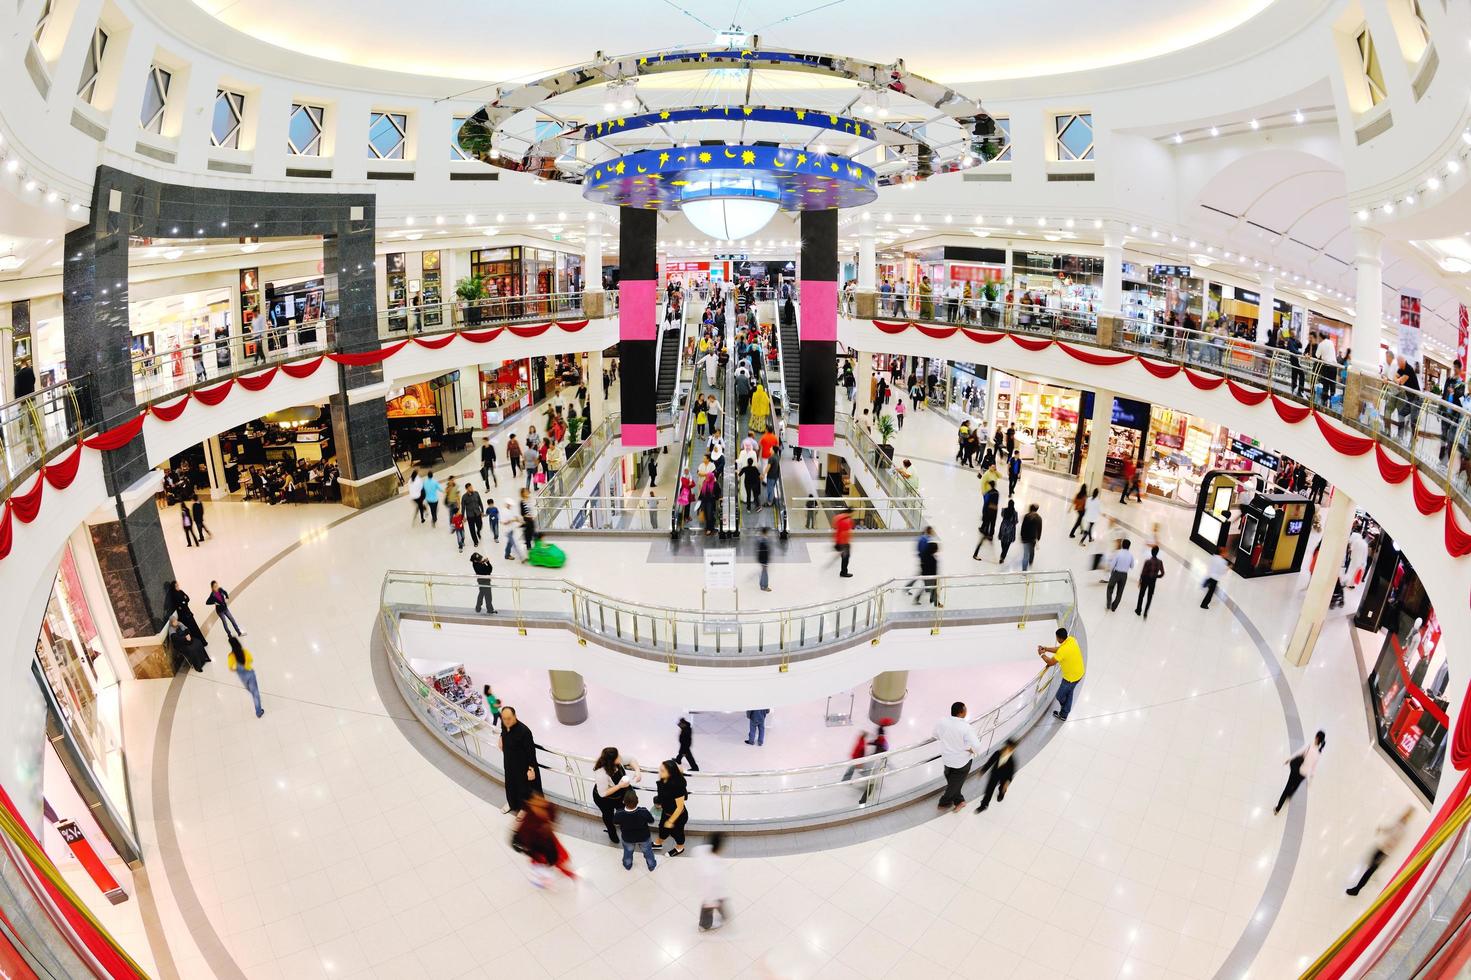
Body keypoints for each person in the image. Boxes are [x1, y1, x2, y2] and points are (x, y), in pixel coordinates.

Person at [1347, 808, 1414, 896]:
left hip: (1385, 853)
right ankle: (1372, 871)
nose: (1403, 815)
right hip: (1380, 848)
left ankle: (1357, 889)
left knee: (1369, 871)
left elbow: (1396, 845)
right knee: (1370, 863)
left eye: (1406, 814)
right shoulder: (1398, 822)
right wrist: (1381, 829)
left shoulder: (1403, 831)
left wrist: (1387, 849)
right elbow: (1390, 829)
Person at [512, 796, 575, 887]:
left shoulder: (545, 809)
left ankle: (545, 876)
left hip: (541, 841)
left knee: (552, 858)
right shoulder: (533, 818)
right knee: (551, 859)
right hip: (538, 843)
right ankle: (544, 877)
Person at [934, 701, 983, 811]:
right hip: (961, 762)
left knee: (953, 782)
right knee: (954, 784)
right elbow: (976, 746)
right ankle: (944, 803)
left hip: (947, 759)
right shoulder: (966, 727)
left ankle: (959, 801)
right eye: (965, 709)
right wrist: (970, 749)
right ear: (961, 712)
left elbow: (935, 734)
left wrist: (948, 740)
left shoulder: (942, 722)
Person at [498, 707, 542, 814]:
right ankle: (511, 803)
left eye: (509, 718)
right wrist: (500, 738)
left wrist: (531, 769)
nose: (507, 721)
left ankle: (524, 808)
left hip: (522, 765)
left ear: (515, 717)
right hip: (509, 762)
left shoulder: (524, 731)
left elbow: (531, 752)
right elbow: (503, 731)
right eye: (504, 719)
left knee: (524, 787)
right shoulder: (504, 724)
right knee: (510, 783)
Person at [1037, 627, 1085, 720]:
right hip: (1079, 672)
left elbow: (1051, 662)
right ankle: (1064, 714)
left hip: (1070, 678)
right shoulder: (1071, 639)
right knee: (1069, 693)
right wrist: (1046, 649)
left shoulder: (1063, 651)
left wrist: (1042, 654)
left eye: (1056, 638)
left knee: (1060, 696)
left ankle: (1064, 711)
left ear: (1059, 638)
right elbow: (1059, 649)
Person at [1274, 730, 1326, 815]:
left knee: (1287, 787)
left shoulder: (1309, 746)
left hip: (1297, 770)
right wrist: (1310, 782)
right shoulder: (1318, 754)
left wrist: (1289, 759)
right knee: (1296, 785)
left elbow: (1299, 753)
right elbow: (1313, 769)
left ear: (1316, 738)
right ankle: (1290, 795)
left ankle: (1277, 809)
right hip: (1304, 774)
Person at [593, 747, 636, 844]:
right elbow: (603, 793)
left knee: (622, 812)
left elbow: (631, 759)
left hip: (617, 796)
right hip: (604, 800)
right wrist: (620, 785)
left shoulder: (616, 761)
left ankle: (625, 829)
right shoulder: (601, 773)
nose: (620, 757)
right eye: (618, 756)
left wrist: (637, 771)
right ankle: (612, 833)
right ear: (611, 760)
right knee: (608, 816)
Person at [614, 790, 657, 871]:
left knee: (628, 852)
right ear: (637, 801)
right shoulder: (643, 811)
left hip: (627, 838)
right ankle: (651, 865)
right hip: (644, 837)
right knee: (648, 852)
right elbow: (651, 821)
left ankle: (627, 865)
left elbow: (615, 823)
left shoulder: (619, 813)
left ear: (624, 801)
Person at [695, 833, 731, 930]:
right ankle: (704, 926)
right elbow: (709, 889)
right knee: (708, 910)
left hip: (715, 892)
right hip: (711, 895)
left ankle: (724, 915)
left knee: (720, 902)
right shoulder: (712, 871)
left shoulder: (701, 851)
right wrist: (711, 902)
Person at [654, 761, 688, 856]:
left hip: (678, 816)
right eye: (660, 770)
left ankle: (680, 848)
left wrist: (671, 821)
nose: (659, 773)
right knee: (662, 828)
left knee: (677, 833)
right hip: (666, 812)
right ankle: (658, 843)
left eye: (662, 771)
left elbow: (680, 807)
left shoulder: (677, 786)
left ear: (670, 773)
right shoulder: (663, 780)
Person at [974, 739, 1016, 814]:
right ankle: (984, 805)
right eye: (1007, 747)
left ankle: (1001, 793)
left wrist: (1007, 783)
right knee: (989, 790)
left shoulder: (1012, 760)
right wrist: (982, 771)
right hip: (995, 774)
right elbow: (990, 762)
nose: (1008, 749)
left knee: (1002, 787)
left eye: (1010, 748)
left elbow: (1011, 773)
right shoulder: (998, 753)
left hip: (1005, 776)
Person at [226, 636, 264, 718]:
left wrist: (237, 669)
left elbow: (231, 668)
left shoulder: (231, 656)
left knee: (250, 690)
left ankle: (256, 698)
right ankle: (258, 712)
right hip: (250, 674)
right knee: (255, 693)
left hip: (243, 677)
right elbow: (251, 660)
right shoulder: (245, 652)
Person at [1104, 538, 1135, 612]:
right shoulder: (1131, 555)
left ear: (1122, 545)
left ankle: (1108, 604)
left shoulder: (1118, 553)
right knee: (1120, 592)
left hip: (1116, 573)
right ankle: (1114, 607)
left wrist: (1111, 572)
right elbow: (1132, 566)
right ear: (1129, 546)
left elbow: (1112, 564)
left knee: (1110, 588)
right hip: (1124, 575)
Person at [1135, 545, 1165, 618]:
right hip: (1153, 581)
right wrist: (1156, 576)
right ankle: (1145, 612)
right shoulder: (1160, 562)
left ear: (1151, 552)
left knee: (1141, 595)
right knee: (1149, 597)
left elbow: (1143, 572)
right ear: (1157, 553)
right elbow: (1162, 573)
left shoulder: (1148, 561)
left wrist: (1140, 580)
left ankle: (1138, 610)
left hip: (1145, 579)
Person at [1020, 503, 1042, 571]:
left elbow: (1023, 527)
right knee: (1032, 551)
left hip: (1025, 538)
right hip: (1033, 538)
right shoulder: (1039, 518)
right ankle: (1031, 561)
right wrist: (1038, 538)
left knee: (1025, 554)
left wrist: (1022, 536)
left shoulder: (1027, 516)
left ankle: (1024, 570)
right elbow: (1039, 529)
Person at [833, 508, 854, 578]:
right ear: (849, 512)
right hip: (844, 542)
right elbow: (846, 532)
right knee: (846, 557)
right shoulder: (847, 520)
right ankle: (843, 572)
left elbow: (837, 530)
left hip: (841, 541)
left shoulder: (839, 518)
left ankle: (843, 571)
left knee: (845, 556)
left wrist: (837, 542)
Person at [997, 498, 1018, 565]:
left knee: (1002, 542)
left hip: (1003, 527)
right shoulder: (1015, 513)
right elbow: (1016, 521)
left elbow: (1002, 515)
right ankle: (1002, 557)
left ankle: (1003, 552)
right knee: (1007, 545)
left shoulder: (1004, 510)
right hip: (1011, 529)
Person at [756, 527, 772, 592]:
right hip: (764, 559)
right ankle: (764, 586)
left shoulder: (760, 539)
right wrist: (764, 562)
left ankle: (761, 584)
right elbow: (764, 551)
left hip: (762, 559)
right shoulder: (764, 540)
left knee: (763, 572)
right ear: (765, 533)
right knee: (765, 573)